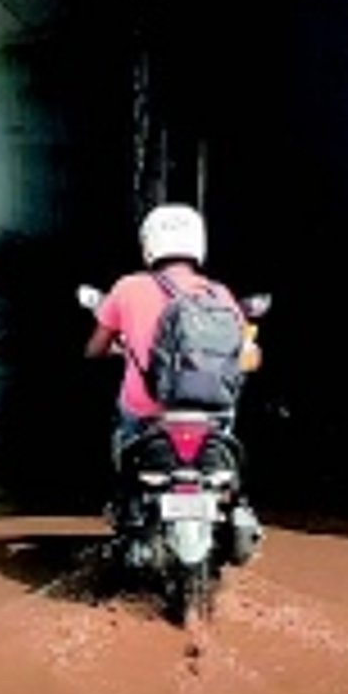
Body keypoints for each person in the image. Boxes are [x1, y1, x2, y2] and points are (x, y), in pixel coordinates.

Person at [84, 202, 262, 551]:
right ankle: (231, 502)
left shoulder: (127, 288)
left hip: (146, 414)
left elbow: (93, 349)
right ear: (198, 244)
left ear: (149, 244)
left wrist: (120, 348)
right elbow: (248, 359)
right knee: (226, 450)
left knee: (123, 444)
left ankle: (126, 507)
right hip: (211, 415)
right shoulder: (220, 295)